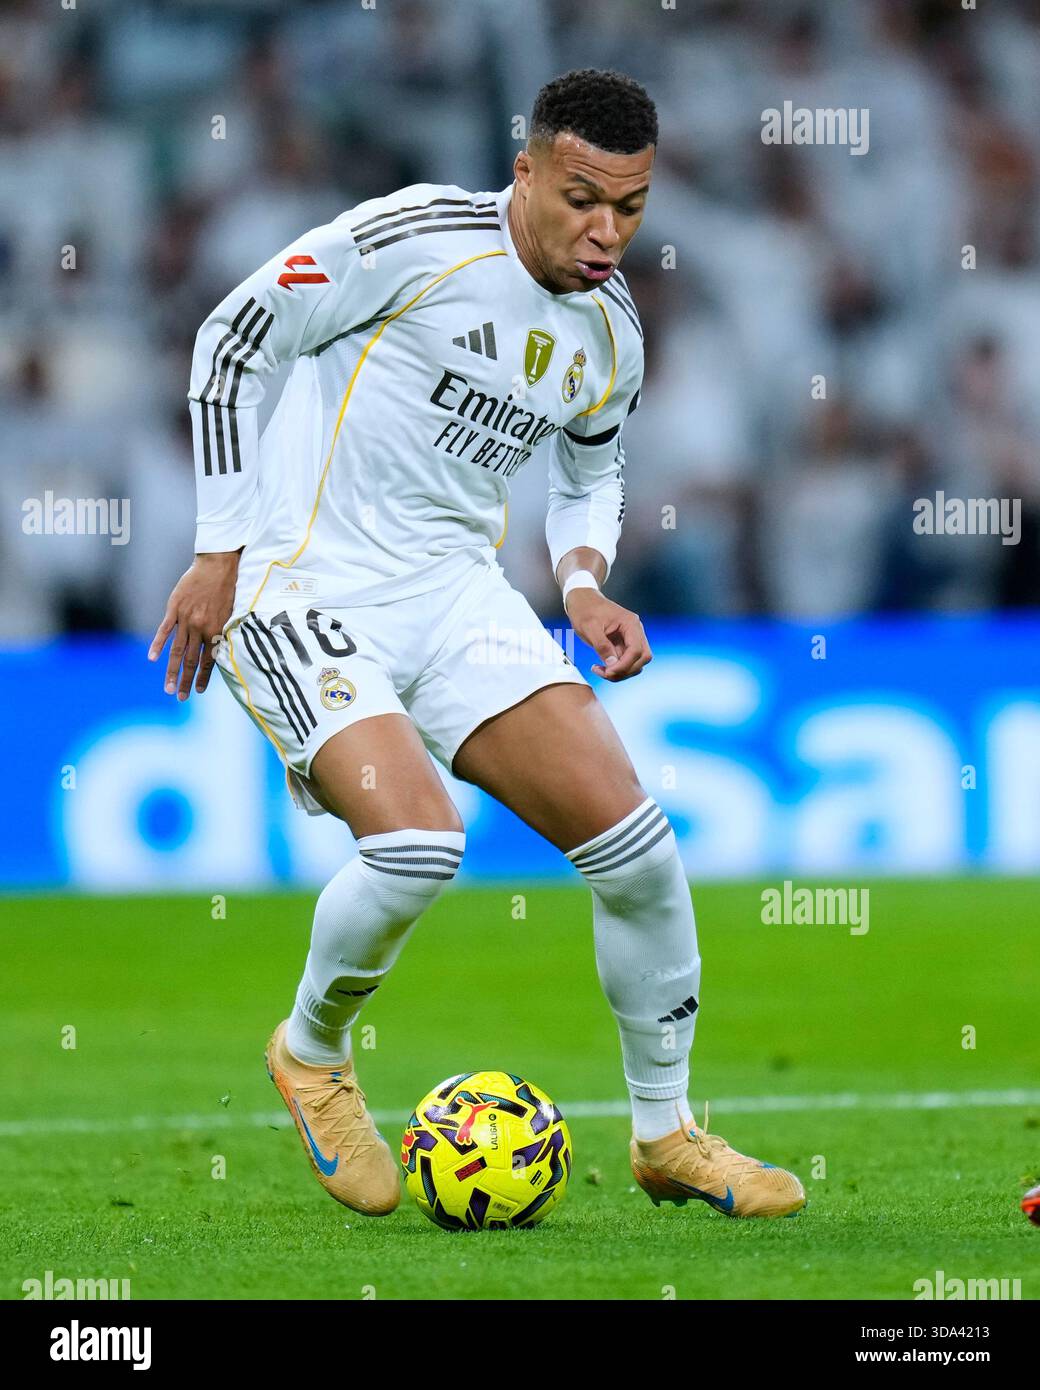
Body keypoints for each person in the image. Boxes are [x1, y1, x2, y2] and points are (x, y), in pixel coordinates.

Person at [149, 68, 804, 1221]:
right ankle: (312, 1051)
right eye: (580, 198)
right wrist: (218, 549)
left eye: (632, 207)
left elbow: (589, 471)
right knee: (416, 844)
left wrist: (585, 582)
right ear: (526, 171)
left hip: (455, 597)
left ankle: (665, 1136)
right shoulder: (411, 240)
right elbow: (232, 336)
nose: (606, 232)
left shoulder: (610, 328)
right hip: (303, 582)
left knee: (640, 853)